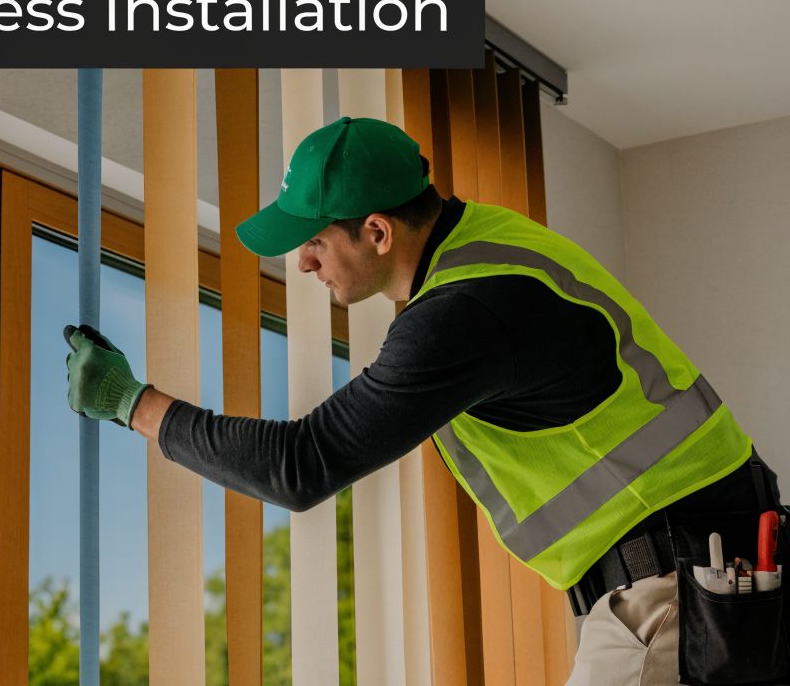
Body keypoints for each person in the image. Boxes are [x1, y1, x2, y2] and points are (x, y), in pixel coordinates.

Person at [63, 116, 785, 684]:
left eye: (313, 240)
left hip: (675, 594)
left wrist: (133, 403)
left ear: (377, 231)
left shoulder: (464, 313)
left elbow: (300, 465)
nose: (302, 260)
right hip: (715, 573)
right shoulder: (492, 244)